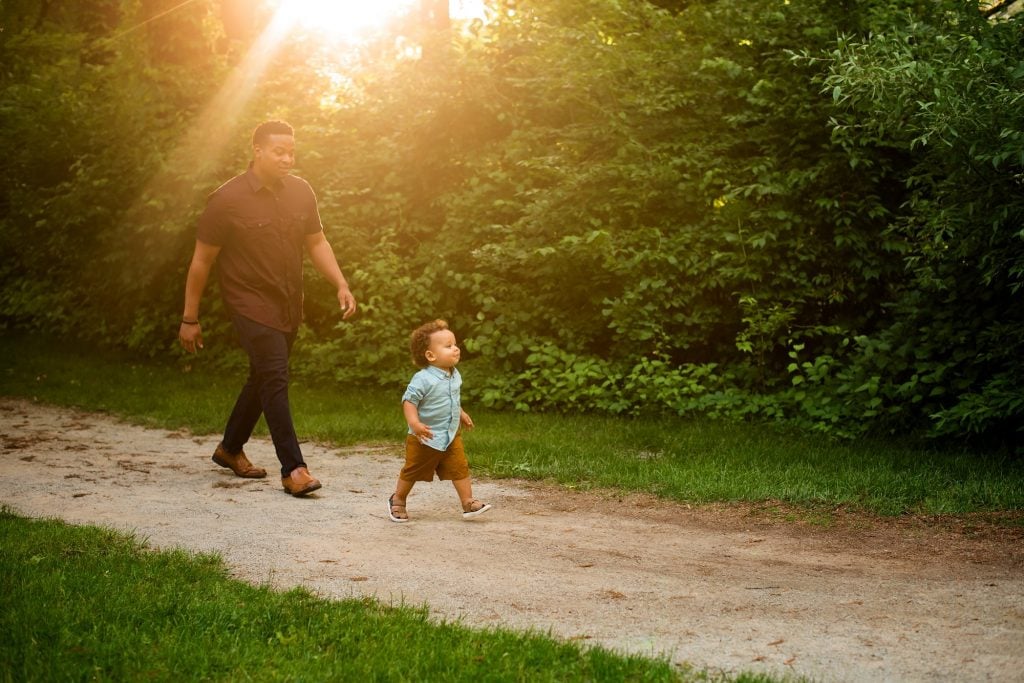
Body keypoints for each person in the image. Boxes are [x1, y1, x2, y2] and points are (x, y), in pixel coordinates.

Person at [177, 120, 356, 497]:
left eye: (292, 151)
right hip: (248, 302)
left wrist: (339, 282)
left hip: (288, 302)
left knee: (262, 376)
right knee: (275, 375)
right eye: (279, 151)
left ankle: (229, 448)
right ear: (257, 150)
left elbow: (317, 241)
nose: (288, 158)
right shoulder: (226, 199)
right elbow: (201, 261)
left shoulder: (301, 192)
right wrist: (189, 318)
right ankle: (294, 469)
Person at [388, 319, 492, 522]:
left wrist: (461, 413)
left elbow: (452, 398)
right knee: (413, 470)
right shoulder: (423, 378)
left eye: (455, 344)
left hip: (451, 434)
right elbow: (409, 401)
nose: (456, 349)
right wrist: (414, 424)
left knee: (459, 468)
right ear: (430, 355)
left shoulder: (455, 375)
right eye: (448, 346)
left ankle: (468, 502)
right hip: (425, 436)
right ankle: (398, 500)